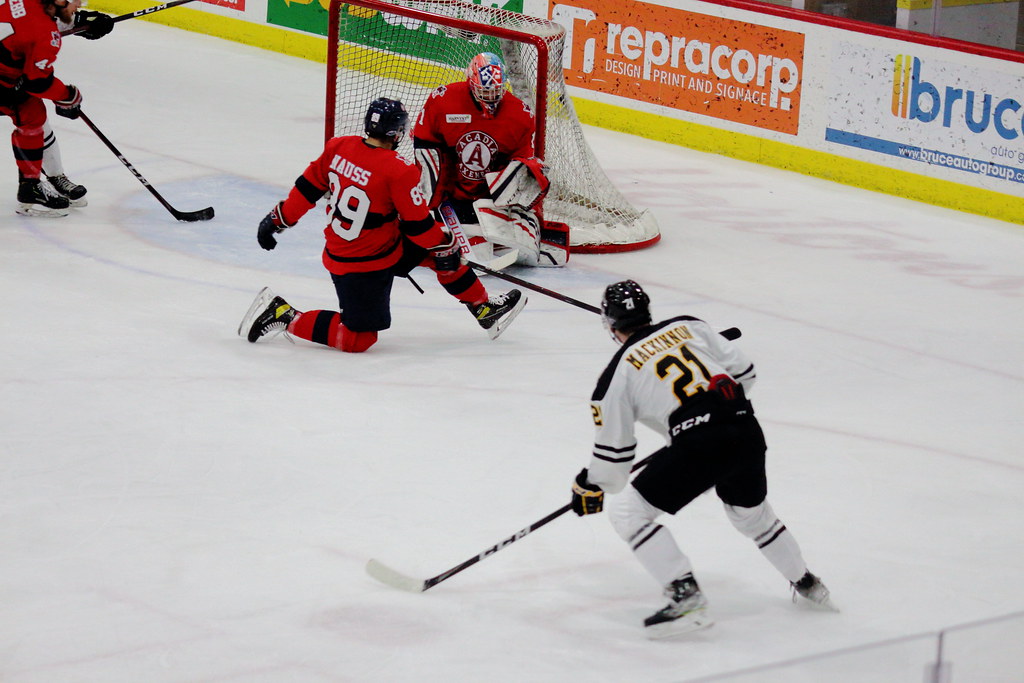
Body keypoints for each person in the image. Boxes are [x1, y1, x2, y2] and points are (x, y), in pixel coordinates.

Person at [570, 280, 835, 639]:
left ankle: (686, 599)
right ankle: (808, 585)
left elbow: (614, 458)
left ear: (609, 324)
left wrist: (590, 484)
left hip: (701, 444)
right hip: (745, 428)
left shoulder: (616, 376)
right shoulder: (689, 326)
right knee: (753, 516)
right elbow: (745, 374)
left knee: (629, 513)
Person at [239, 97, 526, 353]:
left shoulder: (338, 147)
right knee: (358, 339)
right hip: (361, 263)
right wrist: (448, 244)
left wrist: (276, 219)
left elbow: (305, 191)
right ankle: (284, 314)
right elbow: (419, 228)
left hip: (374, 245)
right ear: (397, 132)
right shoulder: (398, 170)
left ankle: (483, 308)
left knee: (439, 253)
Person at [412, 52, 568, 268]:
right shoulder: (444, 100)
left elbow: (522, 163)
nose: (491, 97)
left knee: (530, 169)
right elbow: (425, 146)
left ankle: (513, 223)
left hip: (488, 198)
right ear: (471, 82)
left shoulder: (520, 115)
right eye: (485, 90)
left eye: (496, 90)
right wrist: (431, 201)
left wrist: (516, 203)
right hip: (450, 193)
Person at [1, 0, 114, 217]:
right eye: (76, 2)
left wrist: (79, 21)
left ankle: (40, 183)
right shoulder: (45, 34)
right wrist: (68, 96)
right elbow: (38, 83)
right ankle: (31, 187)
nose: (79, 5)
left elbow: (28, 22)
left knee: (33, 114)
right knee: (31, 115)